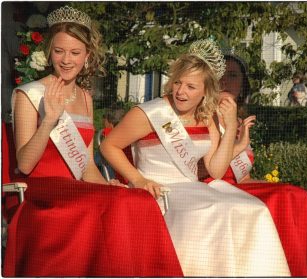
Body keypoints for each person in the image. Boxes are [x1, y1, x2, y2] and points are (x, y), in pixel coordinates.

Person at [4, 6, 183, 276]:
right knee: (107, 205)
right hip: (41, 189)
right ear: (49, 51)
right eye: (59, 51)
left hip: (75, 187)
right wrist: (49, 120)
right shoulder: (28, 94)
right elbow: (26, 165)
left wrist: (106, 184)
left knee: (134, 200)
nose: (66, 60)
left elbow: (86, 165)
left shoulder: (86, 97)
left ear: (87, 56)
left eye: (75, 53)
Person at [101, 39, 291, 276]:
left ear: (206, 90)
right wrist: (138, 180)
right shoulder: (150, 113)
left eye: (191, 87)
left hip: (192, 188)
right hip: (158, 190)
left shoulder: (207, 117)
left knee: (252, 208)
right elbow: (109, 145)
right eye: (178, 83)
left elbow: (216, 171)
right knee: (211, 210)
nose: (180, 92)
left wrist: (231, 126)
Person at [202, 53, 307, 276]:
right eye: (220, 75)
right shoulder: (205, 115)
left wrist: (271, 183)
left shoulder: (238, 120)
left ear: (243, 85)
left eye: (233, 75)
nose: (225, 80)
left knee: (297, 195)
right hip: (213, 187)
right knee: (283, 197)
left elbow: (243, 176)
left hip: (237, 187)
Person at [94, 107, 126, 180]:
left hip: (113, 178)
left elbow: (96, 161)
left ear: (110, 123)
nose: (103, 125)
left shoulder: (108, 134)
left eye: (104, 122)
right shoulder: (130, 134)